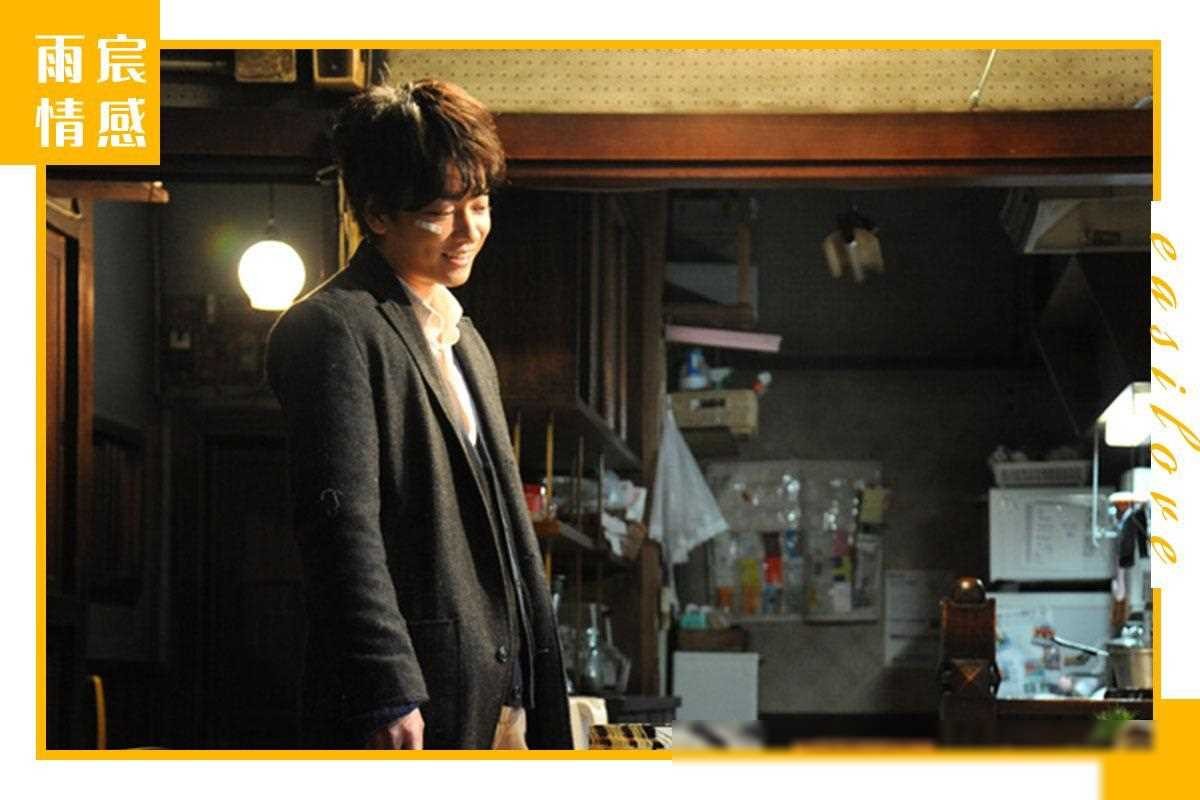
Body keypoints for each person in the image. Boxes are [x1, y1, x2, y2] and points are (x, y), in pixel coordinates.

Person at [266, 79, 572, 750]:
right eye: (440, 212)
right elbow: (340, 525)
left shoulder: (464, 339)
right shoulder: (333, 328)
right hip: (419, 698)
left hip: (501, 692)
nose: (469, 231)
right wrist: (385, 687)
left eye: (480, 205)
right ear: (377, 214)